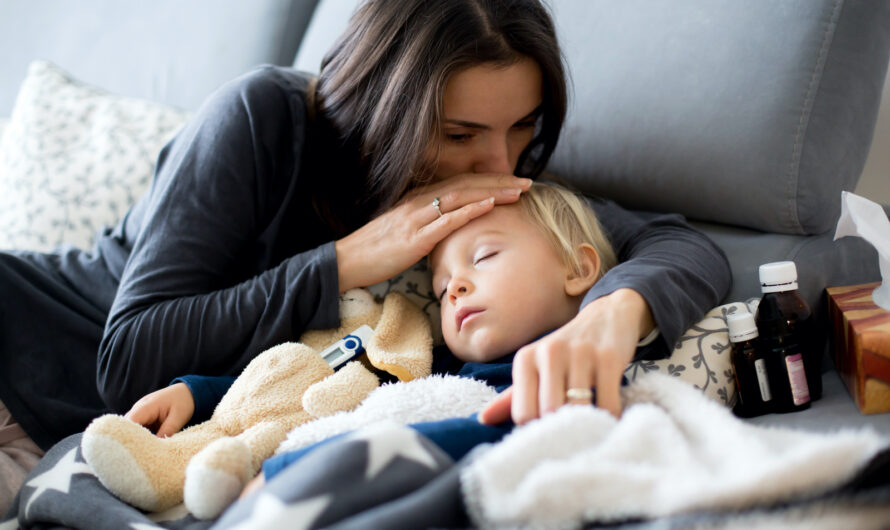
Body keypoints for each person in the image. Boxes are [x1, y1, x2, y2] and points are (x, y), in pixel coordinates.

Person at [0, 0, 729, 512]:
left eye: (522, 128)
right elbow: (126, 354)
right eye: (459, 132)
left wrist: (609, 316)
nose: (499, 163)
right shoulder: (260, 119)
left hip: (77, 439)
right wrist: (343, 263)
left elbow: (676, 241)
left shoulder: (491, 188)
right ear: (388, 107)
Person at [132, 181, 622, 498]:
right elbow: (305, 378)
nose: (455, 287)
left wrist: (293, 475)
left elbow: (454, 439)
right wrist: (198, 394)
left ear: (578, 269)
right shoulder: (428, 359)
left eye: (486, 256)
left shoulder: (564, 373)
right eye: (440, 285)